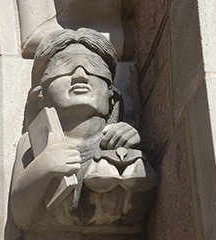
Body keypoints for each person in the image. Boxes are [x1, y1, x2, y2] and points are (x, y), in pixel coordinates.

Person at [10, 28, 154, 240]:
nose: (80, 76)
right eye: (64, 67)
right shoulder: (33, 143)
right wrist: (45, 166)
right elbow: (21, 215)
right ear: (40, 95)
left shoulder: (113, 139)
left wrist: (130, 141)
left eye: (94, 68)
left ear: (111, 95)